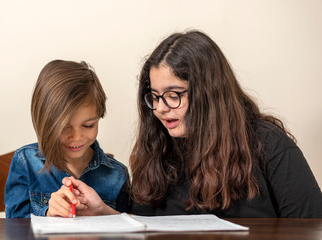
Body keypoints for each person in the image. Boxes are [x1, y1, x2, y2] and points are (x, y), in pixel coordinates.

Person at [128, 30, 322, 217]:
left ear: (208, 94)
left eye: (173, 95)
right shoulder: (156, 150)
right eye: (154, 97)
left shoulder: (270, 144)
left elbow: (311, 227)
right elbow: (141, 227)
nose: (160, 108)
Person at [4, 60, 129, 218]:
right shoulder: (25, 162)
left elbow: (127, 229)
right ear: (44, 122)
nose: (76, 137)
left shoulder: (118, 174)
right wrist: (47, 215)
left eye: (89, 125)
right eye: (64, 128)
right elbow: (14, 228)